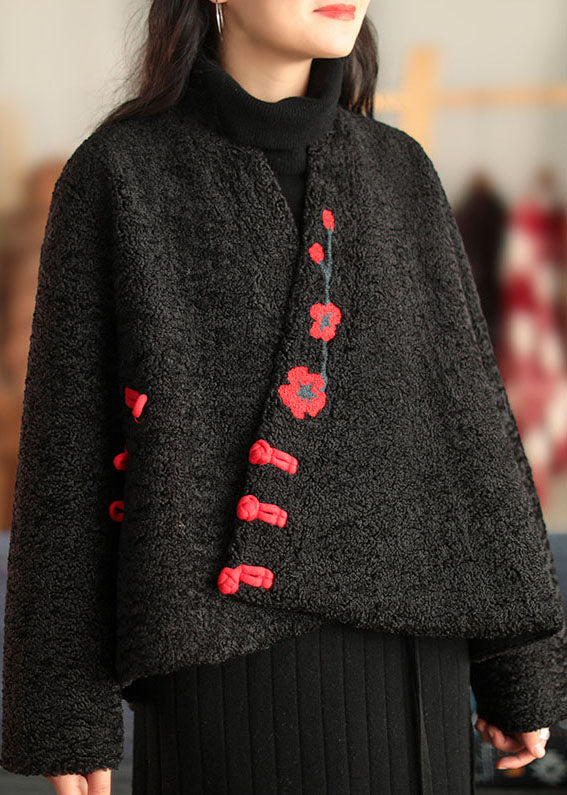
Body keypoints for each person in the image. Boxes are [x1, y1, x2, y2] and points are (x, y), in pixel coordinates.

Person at [2, 0, 566, 793]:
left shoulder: (398, 170)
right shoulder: (120, 175)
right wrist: (64, 709)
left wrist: (515, 666)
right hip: (223, 684)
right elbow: (69, 453)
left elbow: (467, 427)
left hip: (415, 676)